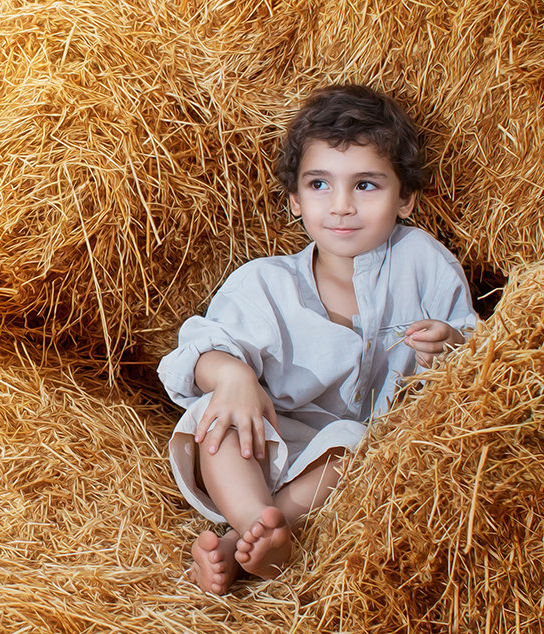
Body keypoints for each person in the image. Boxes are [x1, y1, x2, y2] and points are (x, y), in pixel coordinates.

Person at [157, 84, 477, 594]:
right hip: (267, 448)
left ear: (407, 198)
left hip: (347, 468)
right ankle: (255, 522)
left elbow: (485, 362)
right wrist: (234, 375)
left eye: (367, 185)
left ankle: (252, 547)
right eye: (320, 184)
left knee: (358, 445)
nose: (342, 205)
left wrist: (454, 342)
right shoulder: (264, 281)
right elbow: (195, 352)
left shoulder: (425, 264)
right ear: (295, 200)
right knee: (215, 417)